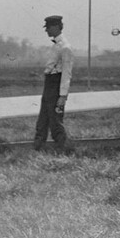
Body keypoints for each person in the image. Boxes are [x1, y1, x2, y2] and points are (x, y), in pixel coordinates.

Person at [33, 15, 74, 151]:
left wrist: (63, 96)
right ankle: (37, 149)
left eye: (49, 27)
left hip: (56, 86)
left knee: (55, 121)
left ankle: (64, 151)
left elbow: (66, 73)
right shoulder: (56, 45)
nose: (47, 31)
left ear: (57, 27)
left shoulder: (65, 47)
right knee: (42, 120)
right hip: (49, 85)